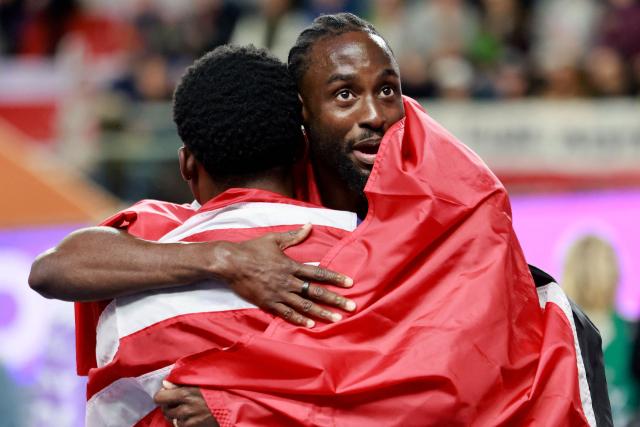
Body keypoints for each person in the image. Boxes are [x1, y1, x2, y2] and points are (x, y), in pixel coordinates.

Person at [30, 13, 611, 427]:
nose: (377, 115)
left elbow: (441, 383)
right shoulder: (241, 232)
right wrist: (228, 260)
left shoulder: (441, 214)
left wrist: (242, 406)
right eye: (344, 95)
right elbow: (55, 267)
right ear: (300, 121)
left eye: (389, 90)